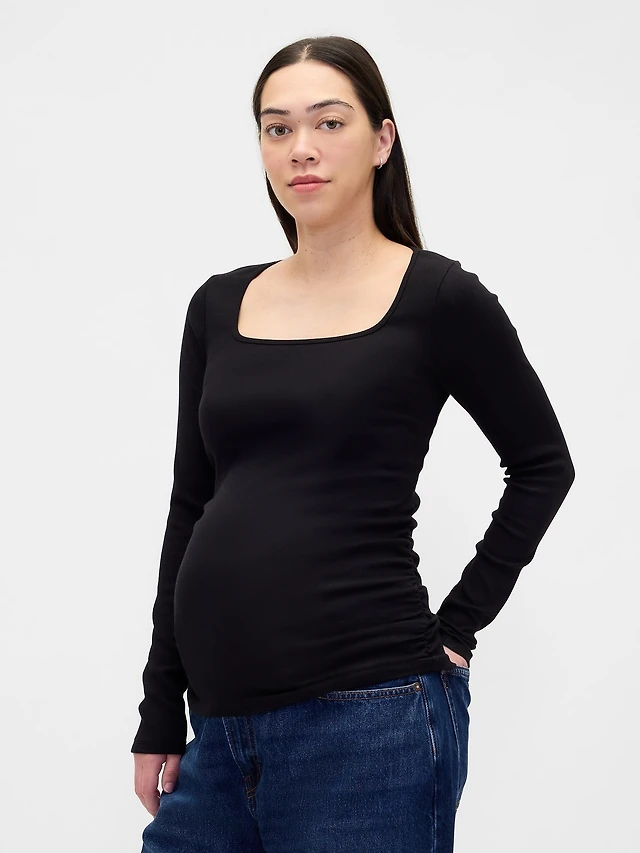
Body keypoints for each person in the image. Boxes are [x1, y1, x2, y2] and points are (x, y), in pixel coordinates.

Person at [131, 35, 575, 852]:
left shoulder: (437, 298)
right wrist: (160, 706)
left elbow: (544, 465)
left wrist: (457, 627)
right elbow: (190, 505)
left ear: (381, 140)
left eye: (328, 123)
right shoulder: (218, 305)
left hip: (372, 722)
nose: (300, 147)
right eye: (277, 128)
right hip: (218, 728)